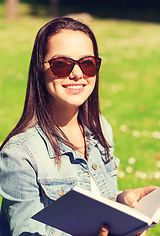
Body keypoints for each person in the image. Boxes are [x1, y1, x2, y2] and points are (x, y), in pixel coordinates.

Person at [0, 17, 157, 236]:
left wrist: (124, 200)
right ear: (39, 69)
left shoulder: (99, 128)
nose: (77, 74)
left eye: (87, 64)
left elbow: (97, 202)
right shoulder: (20, 154)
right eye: (61, 65)